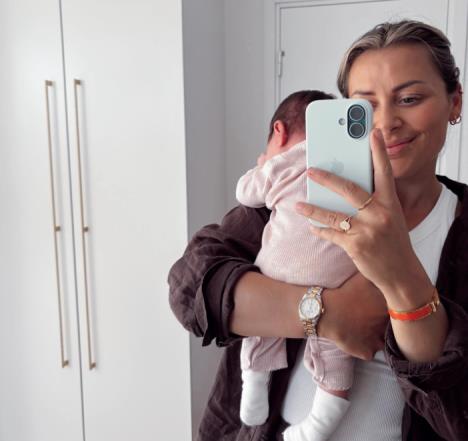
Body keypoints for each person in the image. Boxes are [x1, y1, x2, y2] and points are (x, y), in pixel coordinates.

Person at [168, 20, 468, 441]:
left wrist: (403, 276)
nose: (386, 122)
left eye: (410, 99)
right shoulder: (309, 187)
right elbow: (189, 286)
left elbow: (458, 416)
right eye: (365, 106)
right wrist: (328, 314)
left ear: (454, 102)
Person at [235, 90, 359, 441]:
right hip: (339, 279)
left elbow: (245, 193)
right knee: (336, 355)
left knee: (260, 326)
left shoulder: (280, 163)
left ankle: (254, 385)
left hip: (278, 275)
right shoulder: (356, 168)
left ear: (280, 131)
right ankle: (318, 427)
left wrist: (262, 165)